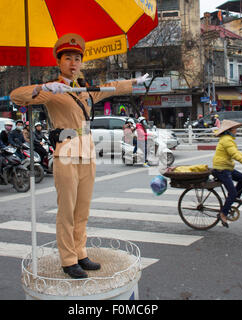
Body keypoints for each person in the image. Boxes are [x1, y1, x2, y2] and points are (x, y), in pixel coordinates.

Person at [10, 33, 149, 279]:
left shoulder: (85, 90)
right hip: (65, 149)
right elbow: (16, 95)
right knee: (67, 208)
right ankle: (68, 259)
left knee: (82, 208)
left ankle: (80, 251)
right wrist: (44, 88)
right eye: (68, 58)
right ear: (59, 62)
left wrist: (134, 82)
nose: (73, 63)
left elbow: (111, 88)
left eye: (77, 58)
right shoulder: (52, 91)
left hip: (87, 150)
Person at [212, 120, 242, 228]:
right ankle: (223, 213)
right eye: (234, 129)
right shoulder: (226, 140)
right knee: (231, 193)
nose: (236, 131)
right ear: (229, 130)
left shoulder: (229, 139)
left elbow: (237, 153)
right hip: (221, 169)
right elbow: (235, 155)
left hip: (227, 168)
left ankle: (235, 197)